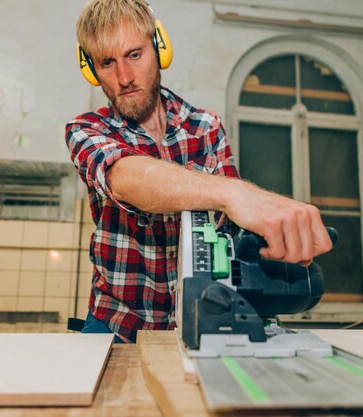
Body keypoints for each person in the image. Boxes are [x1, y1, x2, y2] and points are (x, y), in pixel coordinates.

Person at [65, 0, 332, 343]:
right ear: (91, 69)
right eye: (106, 62)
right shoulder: (87, 130)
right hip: (115, 324)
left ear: (160, 49)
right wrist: (232, 192)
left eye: (134, 55)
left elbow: (231, 230)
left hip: (196, 324)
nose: (124, 78)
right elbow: (123, 177)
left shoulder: (206, 127)